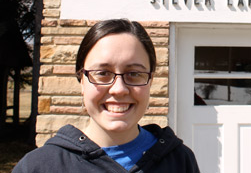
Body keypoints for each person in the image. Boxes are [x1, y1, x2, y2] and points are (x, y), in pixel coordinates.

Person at [14, 19, 200, 172]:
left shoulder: (180, 161)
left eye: (134, 73)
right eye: (102, 73)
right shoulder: (38, 167)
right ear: (81, 81)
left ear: (150, 81)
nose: (118, 89)